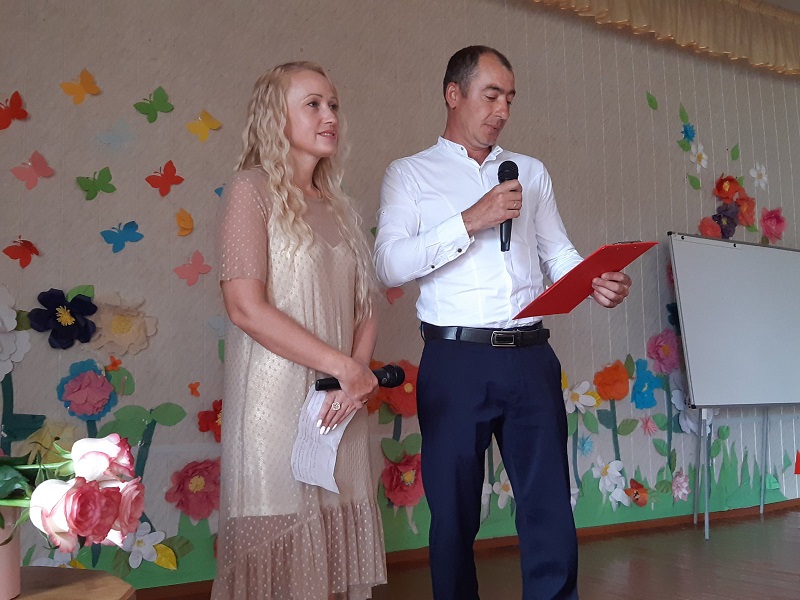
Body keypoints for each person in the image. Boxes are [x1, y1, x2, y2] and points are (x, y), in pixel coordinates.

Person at [374, 46, 632, 600]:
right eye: (491, 95)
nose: (502, 111)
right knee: (453, 514)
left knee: (548, 505)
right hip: (455, 360)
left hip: (531, 357)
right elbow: (389, 264)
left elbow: (556, 252)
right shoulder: (410, 174)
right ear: (454, 94)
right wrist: (472, 219)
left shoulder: (530, 172)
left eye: (510, 99)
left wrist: (594, 281)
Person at [213, 61, 386, 600]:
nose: (329, 115)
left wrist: (354, 379)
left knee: (332, 550)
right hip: (275, 403)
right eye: (313, 104)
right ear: (275, 117)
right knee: (277, 539)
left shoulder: (341, 207)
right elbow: (244, 307)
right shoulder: (250, 189)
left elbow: (367, 307)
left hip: (340, 403)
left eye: (333, 105)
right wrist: (344, 369)